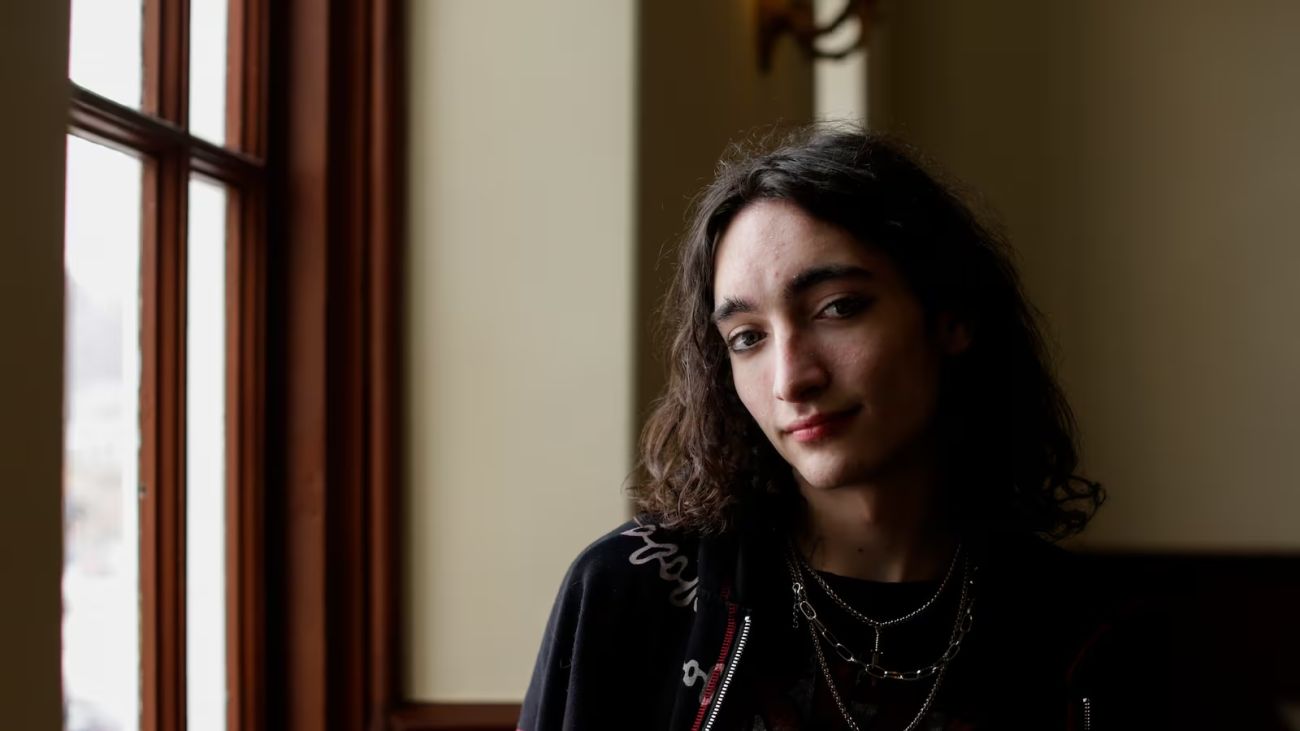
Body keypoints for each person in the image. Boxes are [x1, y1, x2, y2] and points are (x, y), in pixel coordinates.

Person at [518, 127, 1155, 730]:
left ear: (950, 316)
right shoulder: (633, 591)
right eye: (748, 338)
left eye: (838, 308)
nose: (791, 379)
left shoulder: (1081, 627)